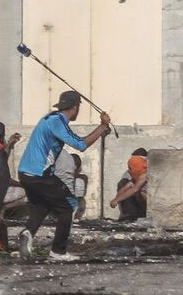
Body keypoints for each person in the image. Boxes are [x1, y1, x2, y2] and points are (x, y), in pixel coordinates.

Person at [15, 91, 111, 261]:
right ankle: (58, 252)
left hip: (25, 173)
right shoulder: (58, 122)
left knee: (41, 206)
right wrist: (102, 127)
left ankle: (27, 233)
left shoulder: (49, 118)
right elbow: (81, 145)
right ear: (75, 108)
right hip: (39, 174)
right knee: (69, 206)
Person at [110, 148, 149, 221]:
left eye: (131, 167)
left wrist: (116, 200)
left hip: (152, 203)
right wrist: (116, 199)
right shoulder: (135, 175)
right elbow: (126, 187)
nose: (129, 170)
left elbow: (134, 190)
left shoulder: (145, 175)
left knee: (139, 191)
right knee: (125, 184)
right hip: (140, 202)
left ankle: (143, 215)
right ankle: (129, 215)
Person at [51, 151, 88, 220]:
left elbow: (81, 195)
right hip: (61, 204)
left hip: (75, 204)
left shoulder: (81, 178)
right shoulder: (60, 175)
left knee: (79, 184)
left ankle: (75, 216)